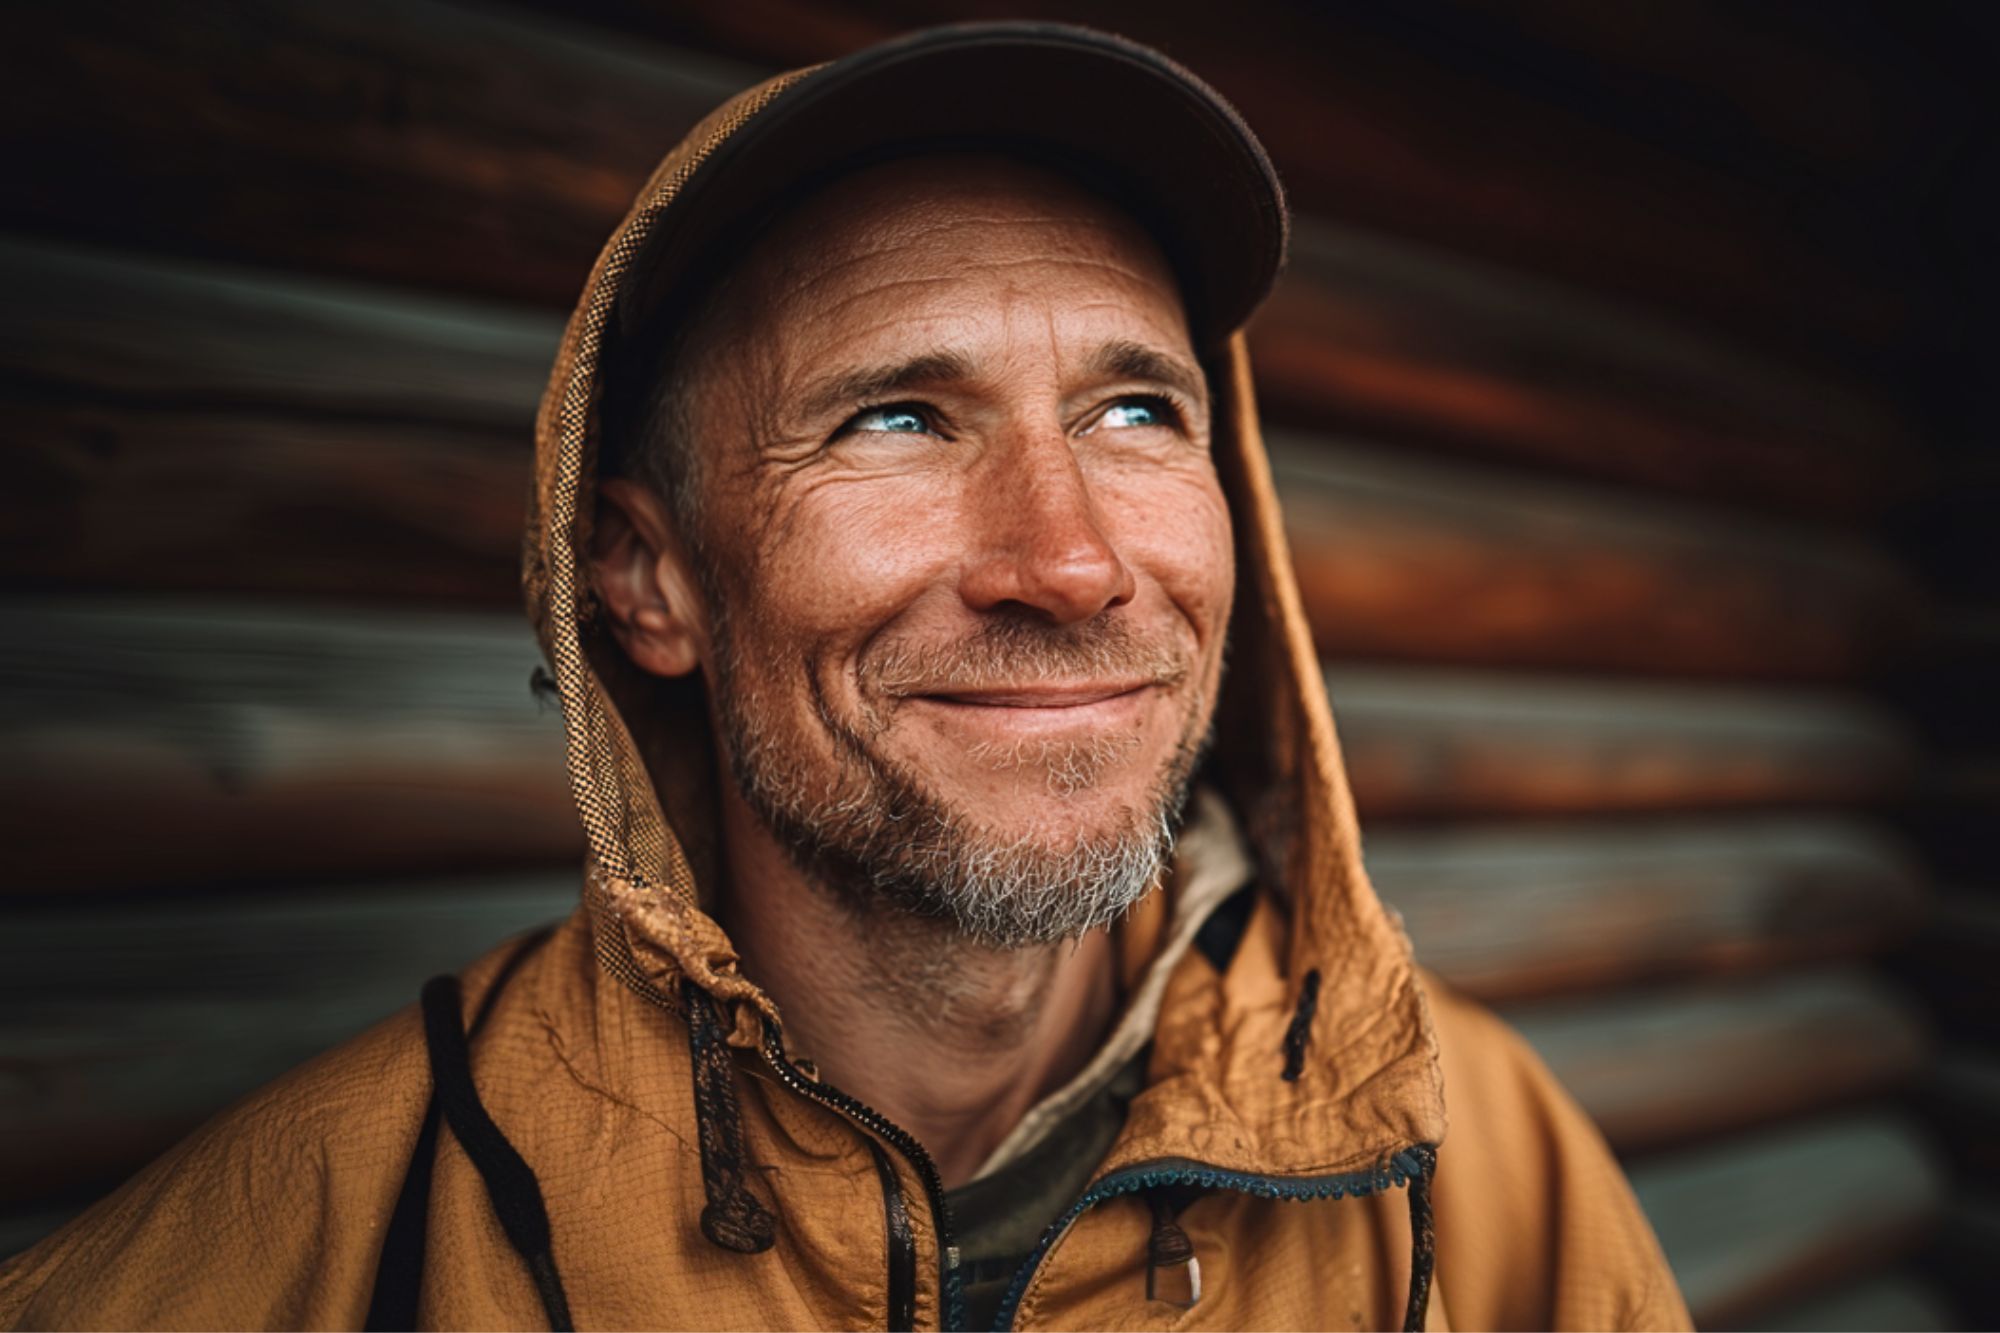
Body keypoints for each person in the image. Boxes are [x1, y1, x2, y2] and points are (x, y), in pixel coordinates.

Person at [0, 23, 1691, 1331]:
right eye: (897, 417)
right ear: (650, 577)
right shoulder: (314, 1245)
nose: (1074, 560)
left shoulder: (1480, 1168)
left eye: (1134, 411)